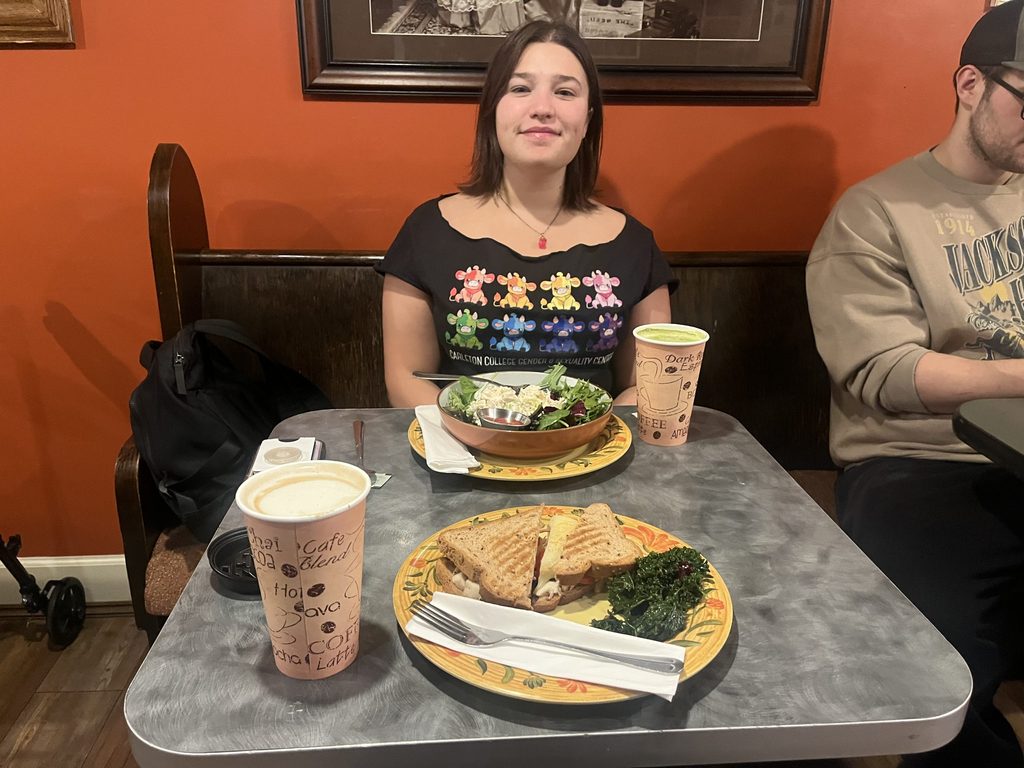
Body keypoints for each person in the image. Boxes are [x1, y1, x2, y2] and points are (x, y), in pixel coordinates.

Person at [806, 3, 1024, 766]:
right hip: (921, 464)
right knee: (945, 679)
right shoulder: (875, 213)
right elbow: (886, 375)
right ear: (971, 84)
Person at [378, 20, 674, 407]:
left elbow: (649, 385)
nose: (542, 109)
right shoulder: (426, 231)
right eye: (520, 89)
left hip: (593, 451)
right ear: (493, 111)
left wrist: (576, 439)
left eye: (565, 92)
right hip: (462, 451)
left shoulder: (635, 244)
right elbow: (406, 379)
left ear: (587, 120)